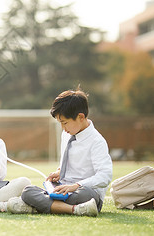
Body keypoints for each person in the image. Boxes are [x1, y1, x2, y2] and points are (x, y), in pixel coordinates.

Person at [8, 89, 113, 217]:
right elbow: (66, 163)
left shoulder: (97, 141)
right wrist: (59, 172)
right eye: (60, 123)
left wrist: (75, 186)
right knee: (27, 192)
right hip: (62, 189)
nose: (63, 128)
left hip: (83, 193)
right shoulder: (66, 134)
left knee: (86, 195)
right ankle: (74, 209)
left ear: (80, 117)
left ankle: (38, 207)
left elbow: (105, 176)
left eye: (65, 123)